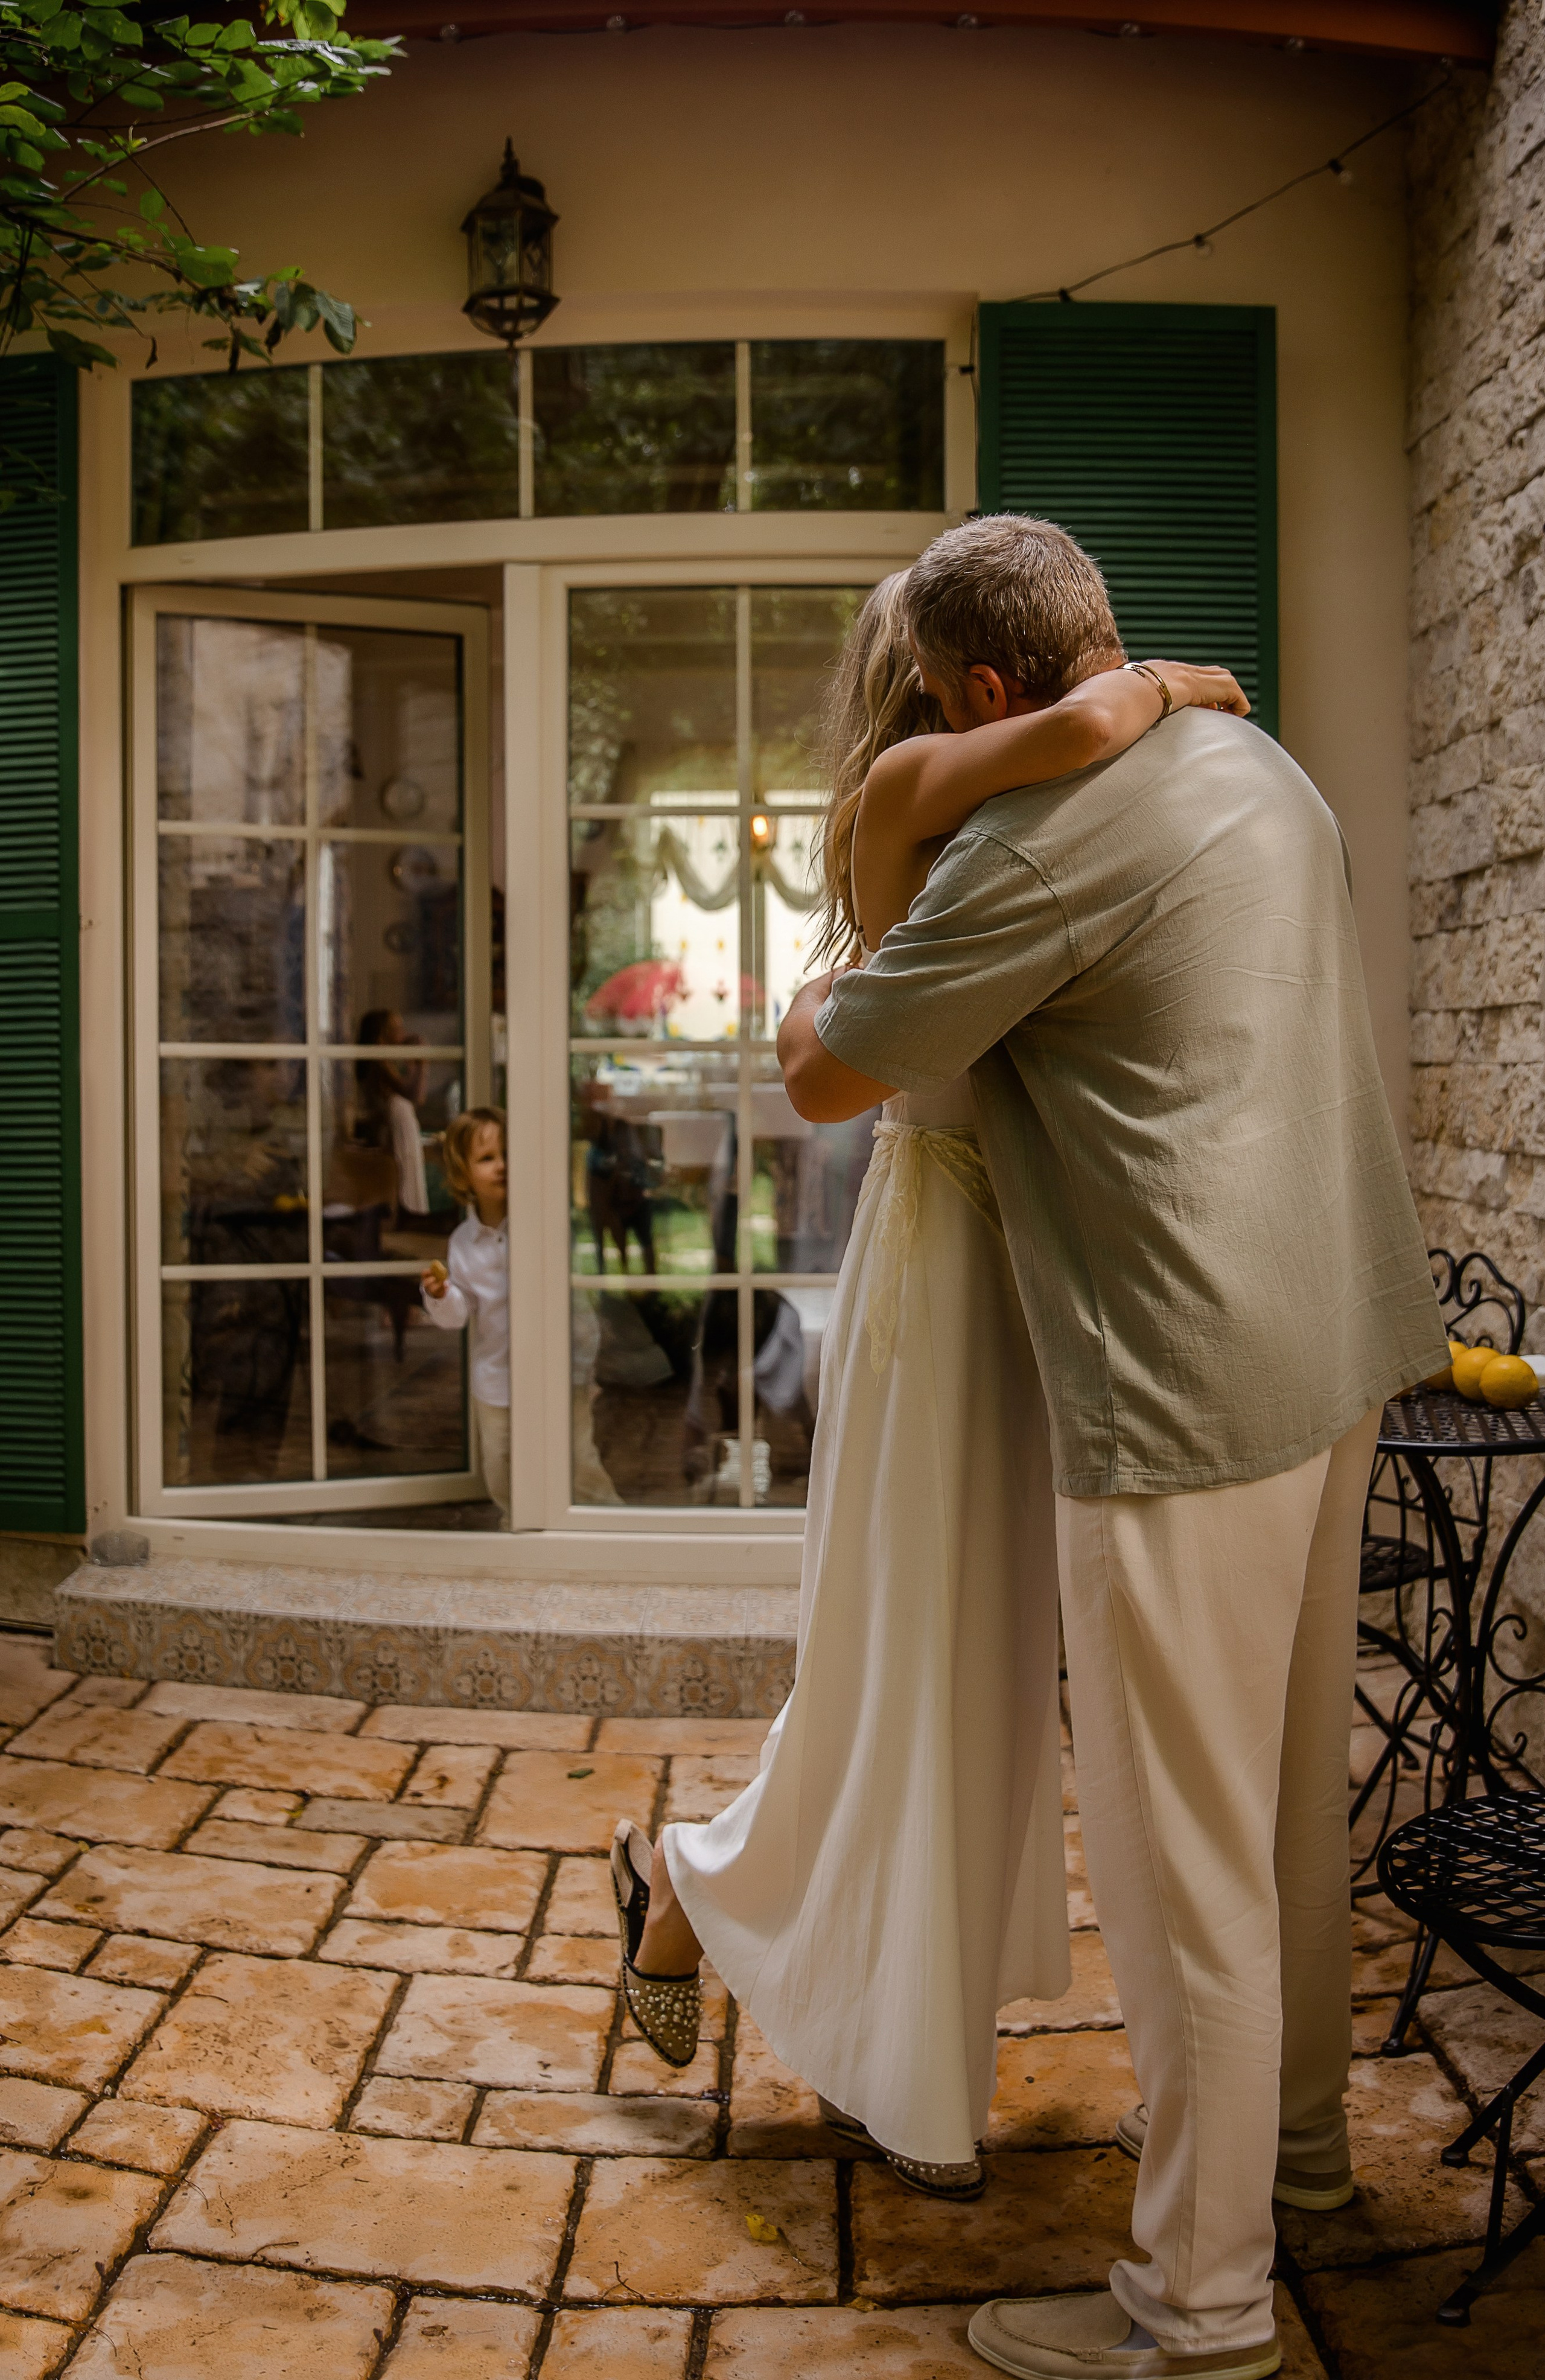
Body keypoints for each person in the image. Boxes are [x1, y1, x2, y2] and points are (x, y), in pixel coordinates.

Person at [772, 517, 1448, 2380]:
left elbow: (833, 1070)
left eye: (939, 700)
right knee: (1284, 1811)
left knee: (1180, 1867)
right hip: (1337, 1342)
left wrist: (812, 980)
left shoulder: (1039, 844)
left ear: (985, 689)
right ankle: (1295, 2155)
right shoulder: (1258, 765)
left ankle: (1199, 2309)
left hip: (1182, 1391)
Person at [610, 568, 1250, 2198]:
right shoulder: (911, 792)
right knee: (914, 1649)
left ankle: (755, 1926)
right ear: (964, 688)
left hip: (1040, 1270)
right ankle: (869, 2038)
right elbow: (1094, 723)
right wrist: (1168, 682)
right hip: (945, 1256)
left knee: (983, 1664)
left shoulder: (1034, 818)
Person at [421, 1106, 512, 1526]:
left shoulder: (539, 1225)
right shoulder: (463, 1243)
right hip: (497, 1378)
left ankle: (606, 1525)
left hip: (555, 1375)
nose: (503, 1165)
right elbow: (458, 1315)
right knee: (501, 1465)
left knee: (576, 1459)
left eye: (508, 1153)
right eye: (488, 1158)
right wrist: (441, 1295)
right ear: (463, 1175)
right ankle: (517, 1527)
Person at [357, 1008, 432, 1223]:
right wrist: (420, 1062)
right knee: (404, 1169)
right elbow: (411, 1093)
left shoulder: (389, 1059)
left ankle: (412, 1213)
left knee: (410, 1166)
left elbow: (417, 1097)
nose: (403, 1033)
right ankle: (408, 1215)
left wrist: (418, 1063)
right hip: (396, 1120)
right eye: (397, 1028)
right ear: (383, 1033)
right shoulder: (378, 1059)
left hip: (402, 1118)